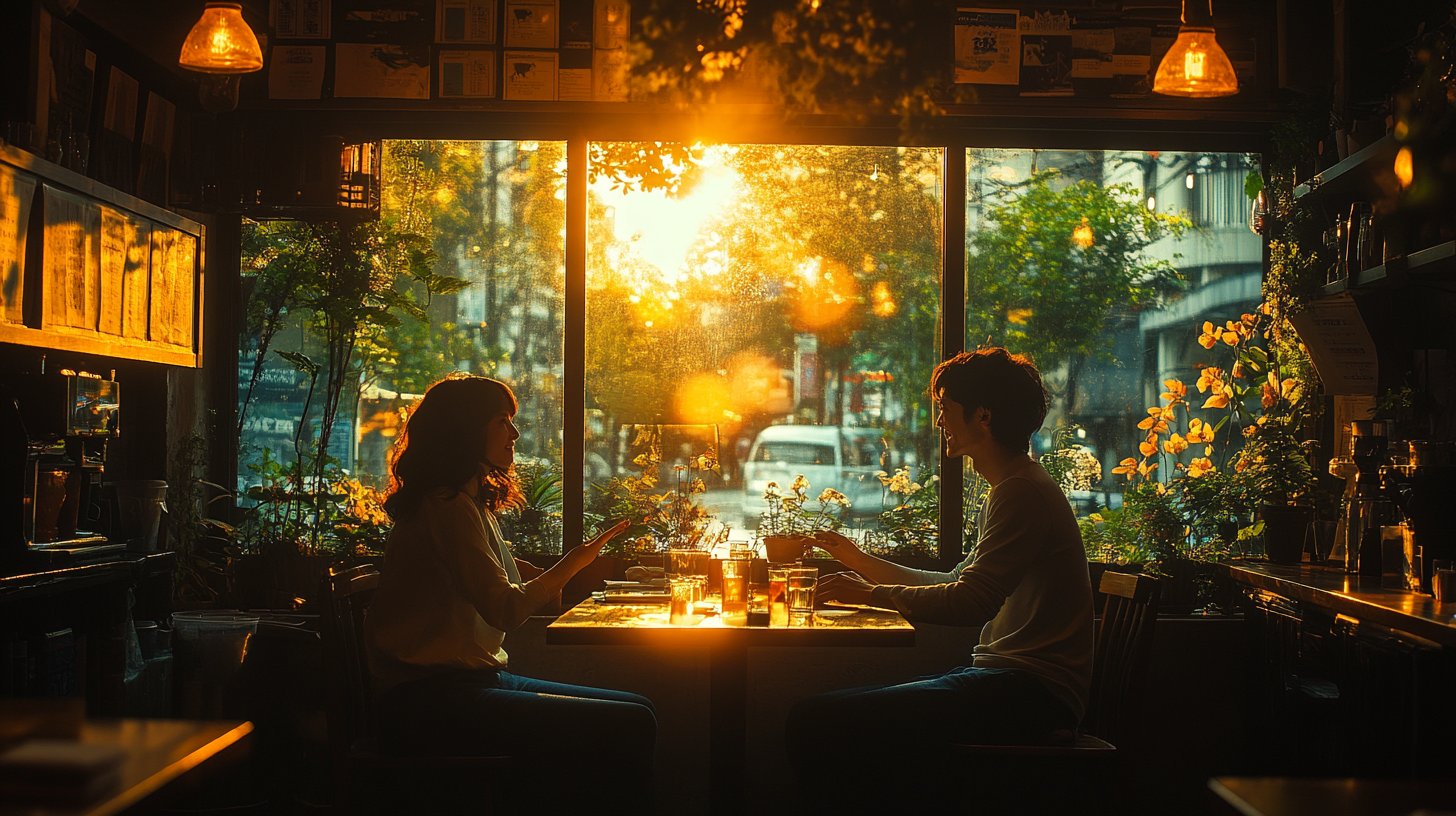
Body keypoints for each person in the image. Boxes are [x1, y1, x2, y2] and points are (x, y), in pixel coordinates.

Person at [784, 348, 1093, 808]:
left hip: (1028, 694)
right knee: (834, 720)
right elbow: (956, 579)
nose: (940, 421)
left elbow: (971, 603)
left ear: (983, 415)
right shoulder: (1015, 487)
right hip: (1010, 684)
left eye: (946, 408)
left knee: (814, 720)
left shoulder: (1022, 493)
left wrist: (873, 595)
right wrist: (860, 563)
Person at [364, 374, 656, 807]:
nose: (515, 433)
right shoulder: (446, 508)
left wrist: (547, 573)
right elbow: (506, 610)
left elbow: (499, 583)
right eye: (502, 420)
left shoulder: (466, 504)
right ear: (465, 429)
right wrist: (573, 562)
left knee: (639, 709)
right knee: (631, 722)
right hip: (430, 700)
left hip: (466, 682)